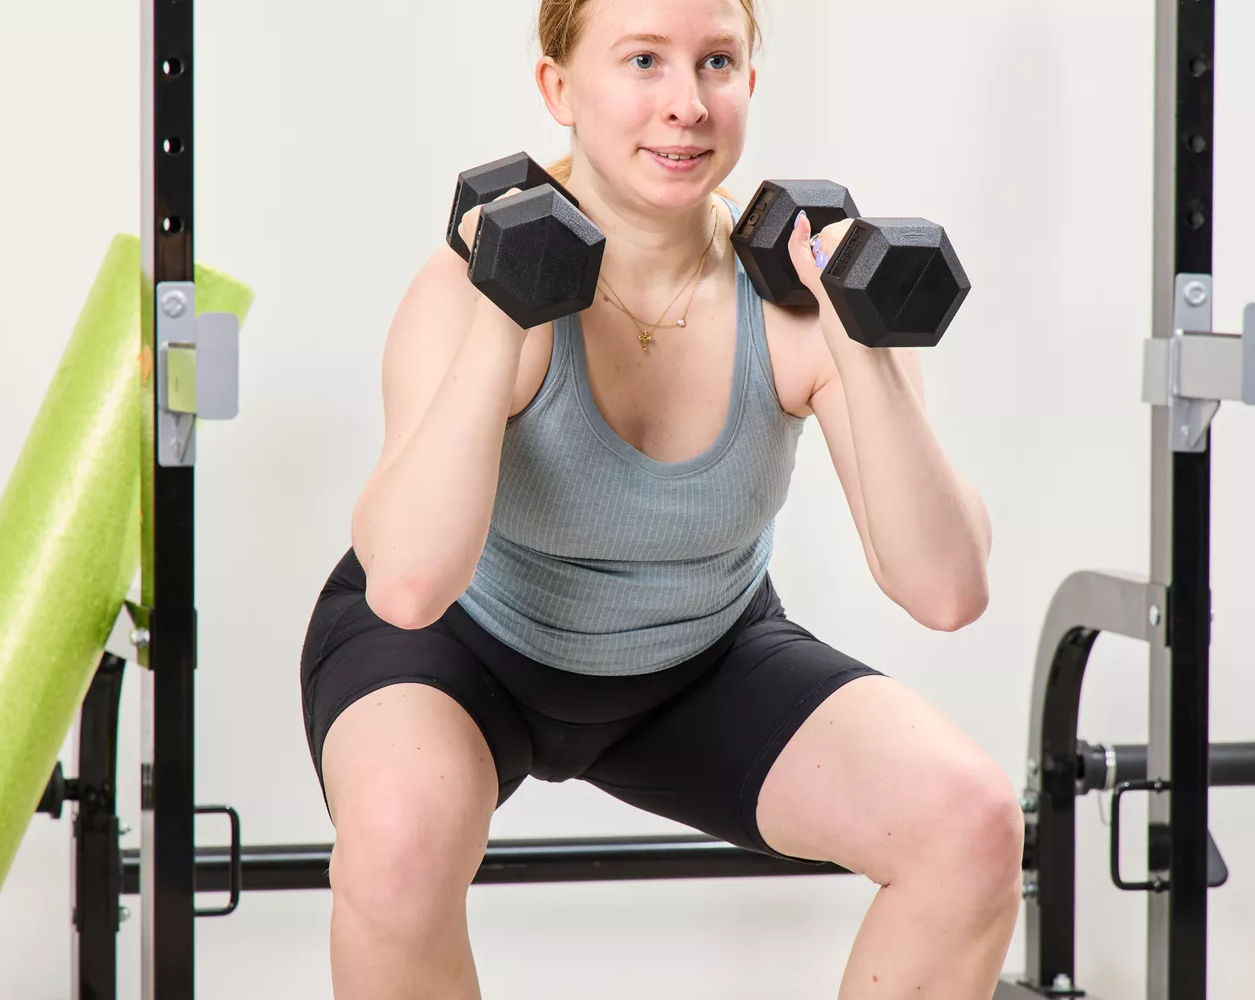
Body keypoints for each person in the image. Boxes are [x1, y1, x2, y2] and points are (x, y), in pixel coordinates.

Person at [297, 0, 1022, 996]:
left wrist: (859, 341)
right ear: (559, 87)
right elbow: (410, 587)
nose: (686, 104)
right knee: (397, 848)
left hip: (697, 654)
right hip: (461, 652)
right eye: (643, 60)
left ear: (750, 83)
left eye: (716, 61)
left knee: (971, 827)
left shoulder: (798, 305)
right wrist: (506, 313)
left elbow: (946, 590)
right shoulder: (467, 288)